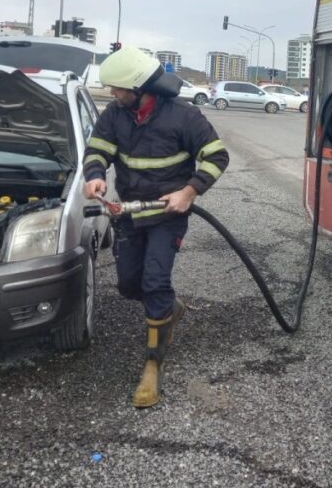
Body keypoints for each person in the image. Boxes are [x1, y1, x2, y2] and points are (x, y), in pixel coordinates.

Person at [82, 46, 229, 407]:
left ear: (139, 88)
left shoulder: (184, 116)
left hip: (167, 215)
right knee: (129, 285)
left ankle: (152, 366)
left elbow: (217, 156)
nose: (113, 93)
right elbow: (97, 150)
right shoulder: (115, 114)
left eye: (118, 88)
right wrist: (95, 175)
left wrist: (189, 192)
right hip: (130, 212)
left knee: (155, 281)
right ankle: (168, 309)